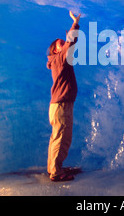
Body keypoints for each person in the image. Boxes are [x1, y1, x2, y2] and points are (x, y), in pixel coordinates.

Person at [46, 11, 81, 182]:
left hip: (58, 105)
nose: (64, 43)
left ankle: (53, 167)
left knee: (56, 137)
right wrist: (75, 24)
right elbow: (71, 42)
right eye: (61, 43)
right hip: (61, 105)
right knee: (62, 137)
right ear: (56, 49)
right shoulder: (60, 58)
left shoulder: (59, 61)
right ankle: (56, 172)